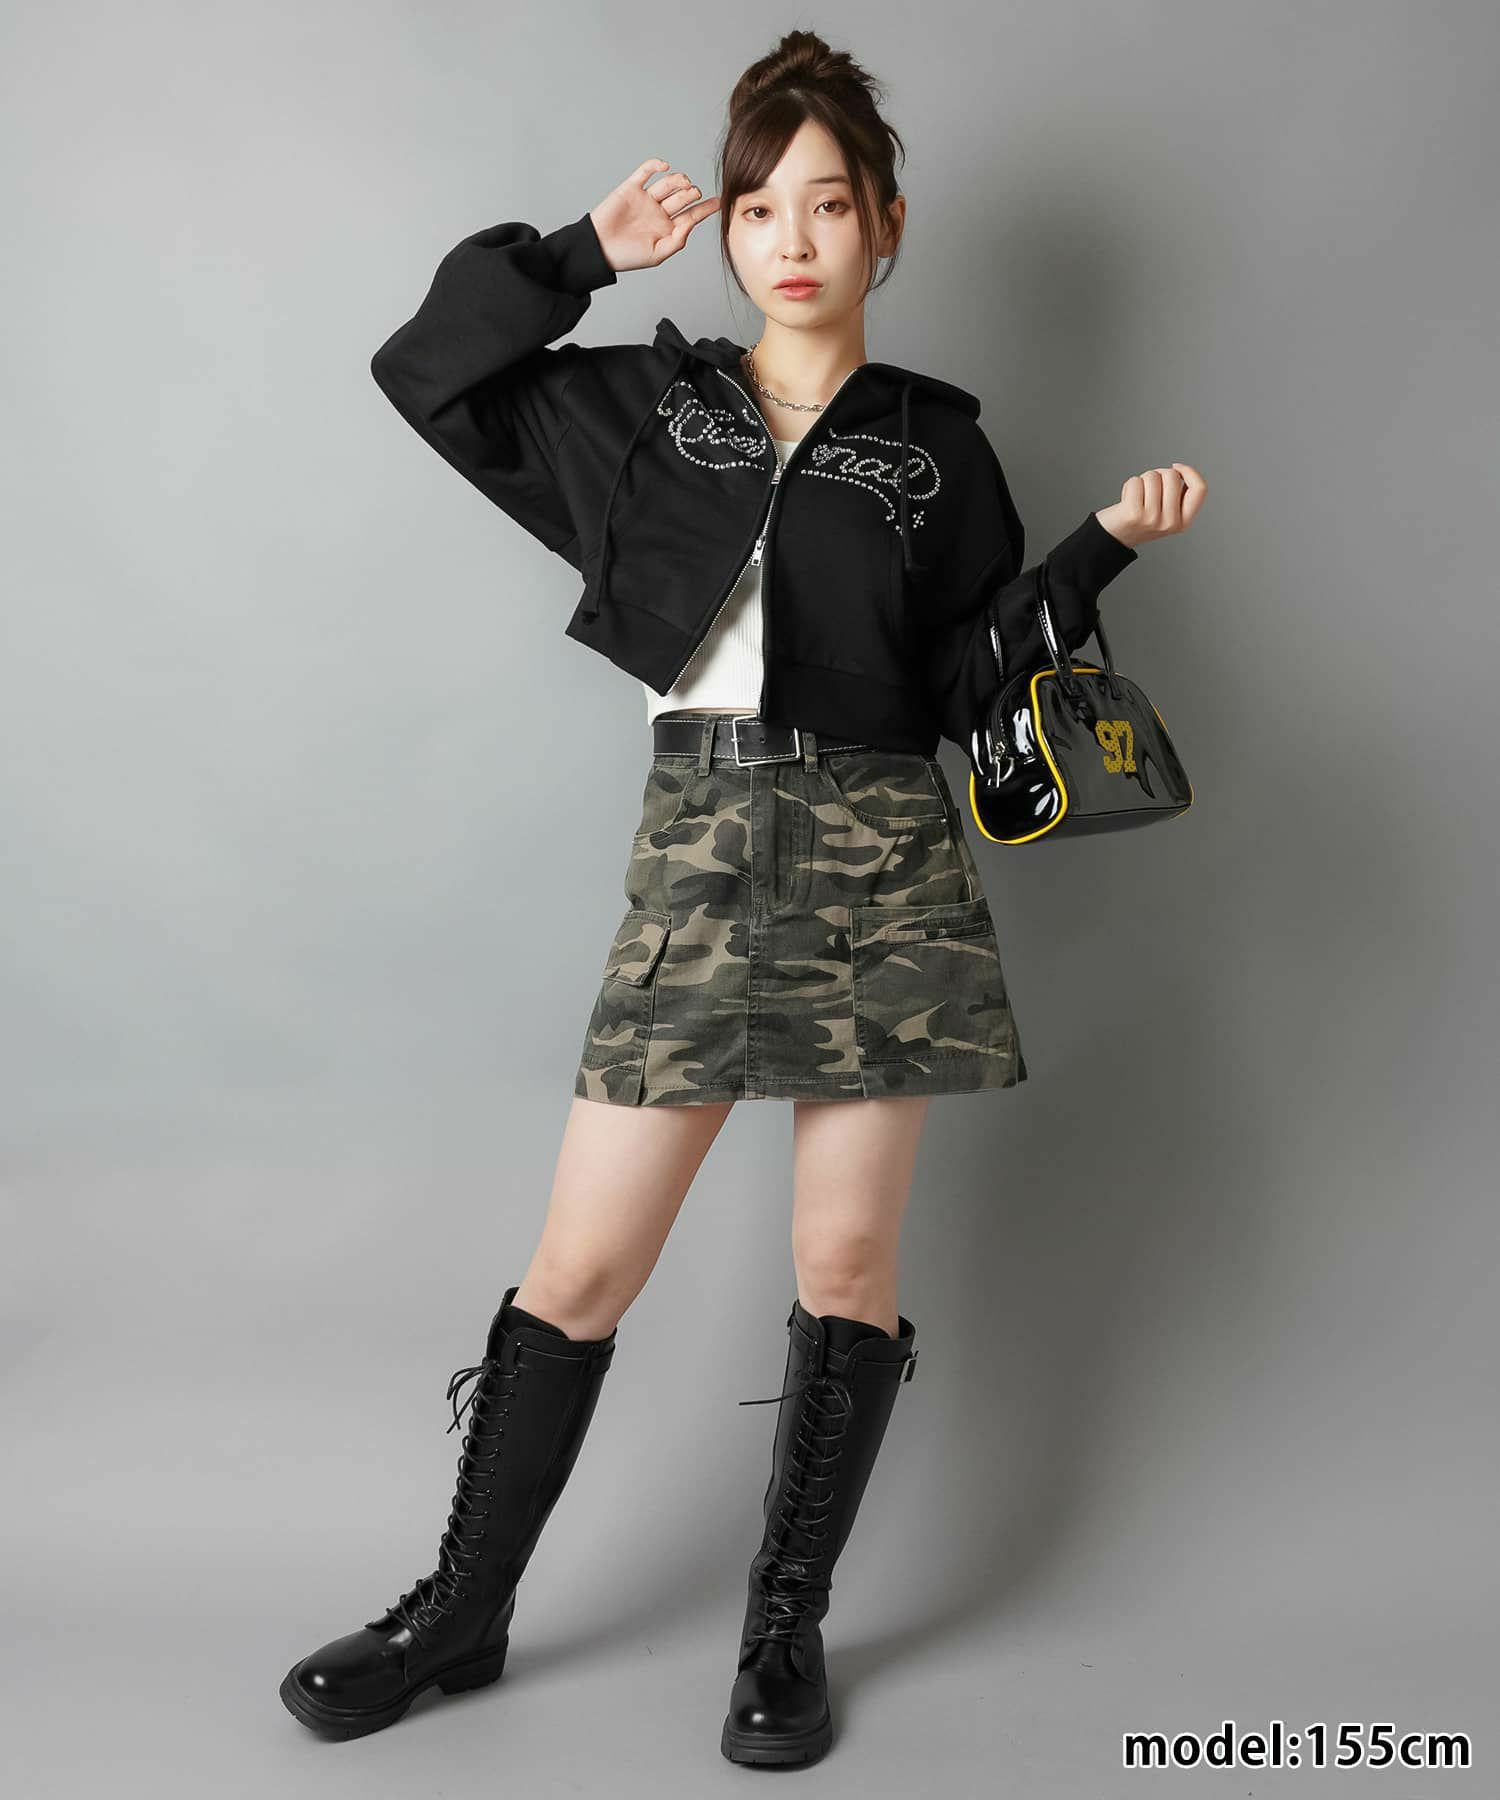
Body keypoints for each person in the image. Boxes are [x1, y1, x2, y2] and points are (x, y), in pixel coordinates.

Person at [278, 27, 1206, 1768]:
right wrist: (580, 256)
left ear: (886, 227)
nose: (793, 237)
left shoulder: (937, 449)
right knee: (582, 1264)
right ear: (728, 226)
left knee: (846, 1258)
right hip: (699, 847)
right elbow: (427, 372)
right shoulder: (651, 411)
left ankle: (786, 1632)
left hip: (883, 857)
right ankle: (461, 1611)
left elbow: (964, 690)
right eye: (762, 204)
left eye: (830, 204)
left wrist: (1096, 556)